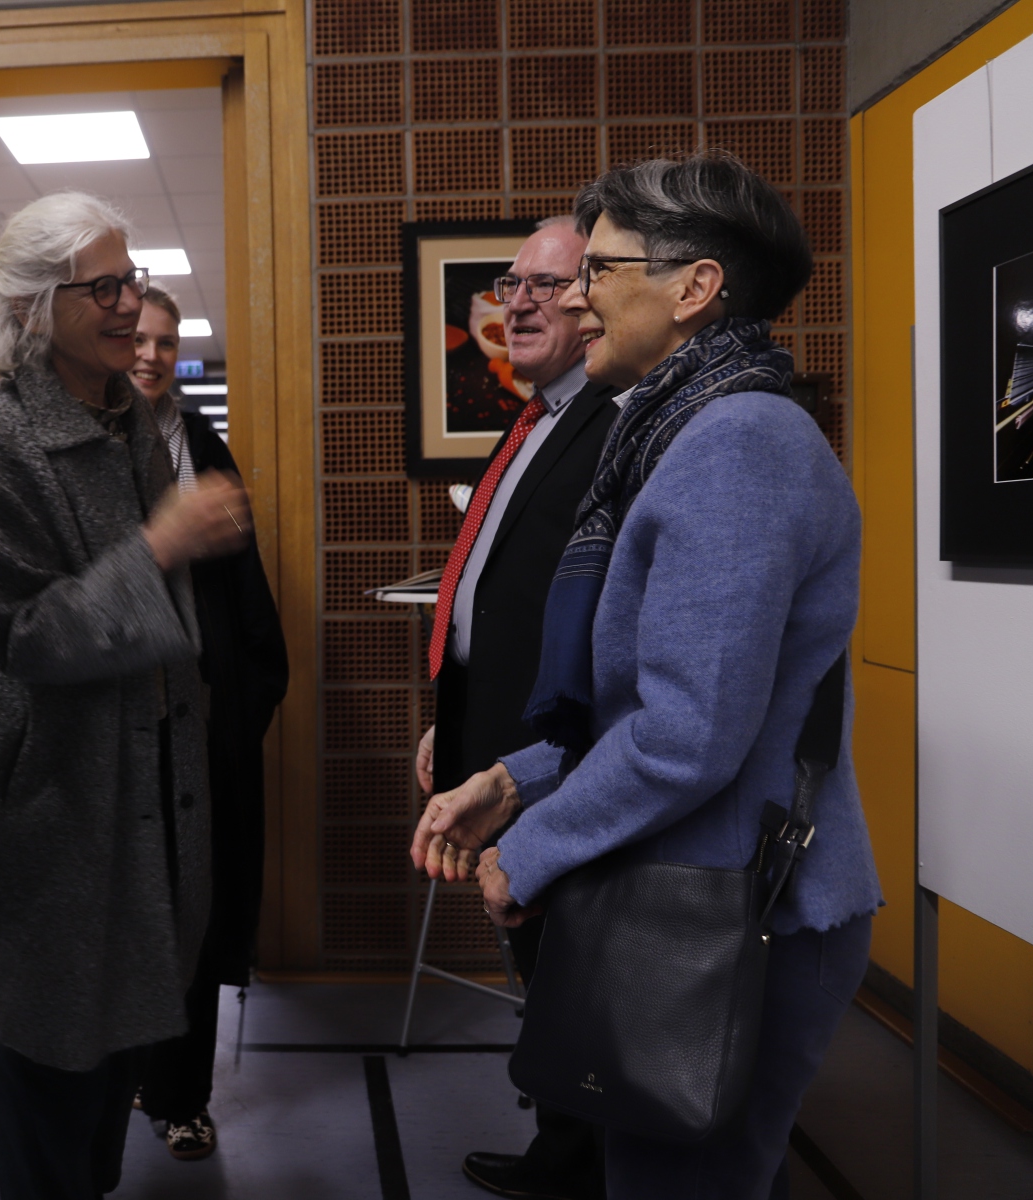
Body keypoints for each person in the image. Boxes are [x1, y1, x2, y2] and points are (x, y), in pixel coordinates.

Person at [411, 155, 882, 1199]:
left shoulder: (737, 442)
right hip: (699, 896)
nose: (578, 296)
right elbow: (647, 702)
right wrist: (514, 780)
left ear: (694, 287)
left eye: (601, 269)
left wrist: (530, 850)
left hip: (736, 908)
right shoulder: (685, 428)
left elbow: (687, 733)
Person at [0, 192, 253, 1199]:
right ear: (35, 308)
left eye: (132, 279)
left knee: (99, 1126)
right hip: (56, 834)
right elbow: (22, 638)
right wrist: (161, 546)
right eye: (105, 287)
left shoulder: (125, 419)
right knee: (50, 1125)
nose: (130, 303)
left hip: (145, 819)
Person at [415, 216, 618, 1200]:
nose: (522, 303)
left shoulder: (616, 424)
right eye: (512, 284)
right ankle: (564, 1152)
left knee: (578, 980)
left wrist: (514, 758)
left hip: (561, 758)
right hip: (499, 742)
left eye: (550, 284)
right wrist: (450, 719)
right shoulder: (536, 415)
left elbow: (601, 627)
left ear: (596, 298)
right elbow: (503, 596)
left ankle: (579, 1168)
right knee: (543, 965)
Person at [128, 285, 289, 1162]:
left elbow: (245, 592)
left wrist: (242, 704)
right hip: (121, 722)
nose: (151, 355)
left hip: (200, 716)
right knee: (128, 916)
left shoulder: (199, 443)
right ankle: (123, 1081)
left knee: (195, 914)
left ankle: (181, 1097)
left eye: (166, 341)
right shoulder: (86, 442)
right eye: (138, 339)